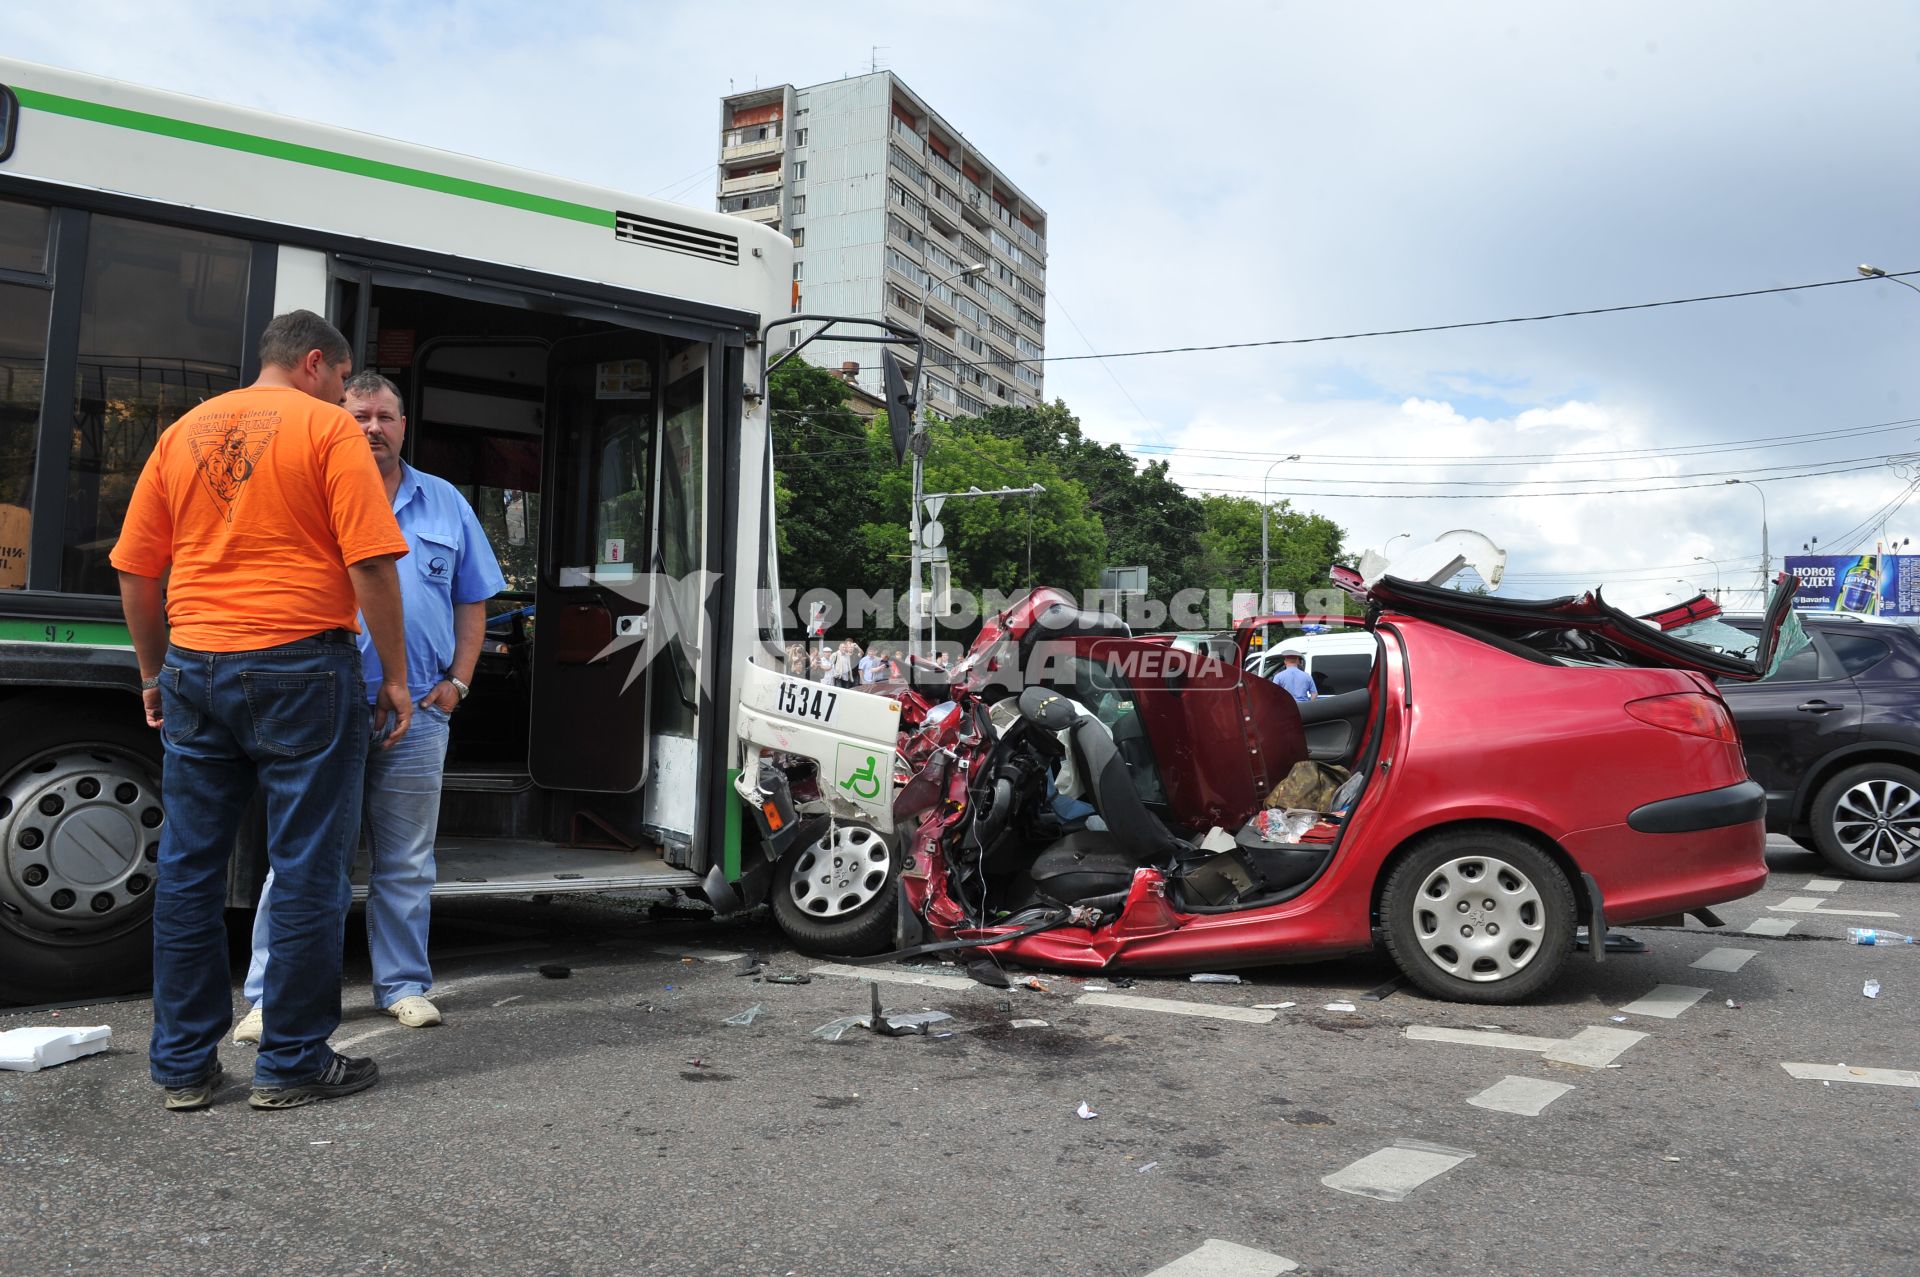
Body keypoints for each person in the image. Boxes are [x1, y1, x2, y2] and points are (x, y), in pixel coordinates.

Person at [112, 310, 412, 1112]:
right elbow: (372, 563)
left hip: (195, 668)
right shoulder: (327, 430)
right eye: (346, 382)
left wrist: (153, 672)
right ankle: (291, 1062)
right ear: (316, 364)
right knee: (310, 865)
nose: (349, 397)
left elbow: (138, 571)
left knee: (188, 869)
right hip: (301, 667)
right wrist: (393, 675)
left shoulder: (182, 432)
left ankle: (181, 1065)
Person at [234, 371, 506, 1042]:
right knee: (300, 856)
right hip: (323, 707)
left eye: (385, 416)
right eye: (359, 414)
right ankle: (271, 994)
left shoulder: (445, 503)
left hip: (419, 708)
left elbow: (474, 600)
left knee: (407, 859)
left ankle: (403, 986)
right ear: (336, 419)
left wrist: (458, 684)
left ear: (404, 426)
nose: (372, 427)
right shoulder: (309, 491)